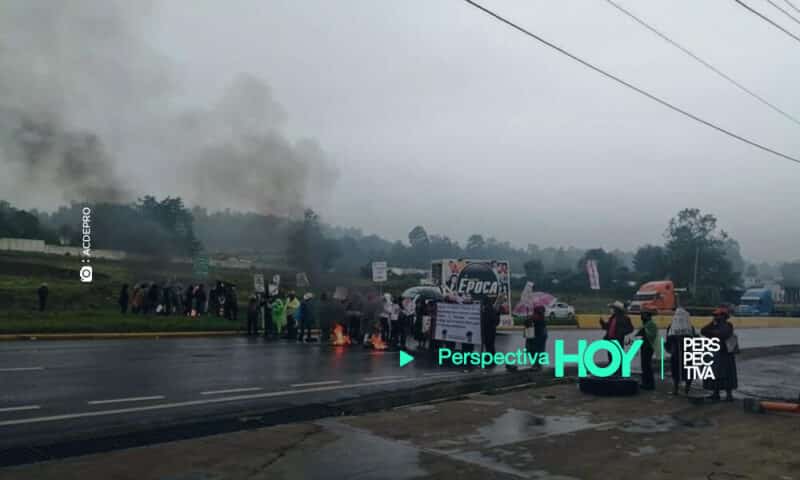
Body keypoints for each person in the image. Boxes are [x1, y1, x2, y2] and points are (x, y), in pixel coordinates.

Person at [701, 306, 738, 402]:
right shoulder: (714, 325)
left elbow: (723, 334)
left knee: (727, 375)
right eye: (715, 316)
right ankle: (715, 393)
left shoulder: (728, 325)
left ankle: (729, 395)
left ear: (723, 316)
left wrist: (712, 332)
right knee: (716, 374)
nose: (715, 317)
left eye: (717, 315)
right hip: (716, 354)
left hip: (725, 354)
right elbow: (703, 331)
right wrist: (712, 325)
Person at [666, 307, 697, 395]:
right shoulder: (673, 327)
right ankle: (677, 389)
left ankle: (686, 388)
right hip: (678, 352)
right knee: (676, 370)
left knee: (687, 371)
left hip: (685, 352)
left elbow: (693, 339)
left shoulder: (689, 327)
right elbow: (669, 339)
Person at [600, 301, 633, 370]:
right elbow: (607, 327)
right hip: (610, 340)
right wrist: (602, 323)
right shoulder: (612, 318)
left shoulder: (625, 318)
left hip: (618, 341)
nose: (612, 310)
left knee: (618, 358)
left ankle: (619, 373)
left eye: (613, 308)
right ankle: (613, 373)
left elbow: (630, 328)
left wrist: (621, 332)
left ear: (617, 309)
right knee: (611, 357)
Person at [636, 306, 659, 390]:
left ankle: (649, 384)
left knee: (646, 365)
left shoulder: (650, 324)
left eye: (642, 314)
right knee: (645, 365)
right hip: (646, 346)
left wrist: (644, 332)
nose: (641, 316)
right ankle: (646, 383)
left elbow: (651, 336)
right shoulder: (647, 324)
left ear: (647, 315)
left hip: (648, 347)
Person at [526, 304, 548, 371]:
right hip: (533, 336)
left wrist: (530, 320)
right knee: (532, 350)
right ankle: (536, 364)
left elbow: (537, 327)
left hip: (538, 336)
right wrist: (529, 320)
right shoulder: (535, 318)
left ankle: (537, 365)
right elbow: (527, 325)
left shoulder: (540, 320)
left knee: (537, 350)